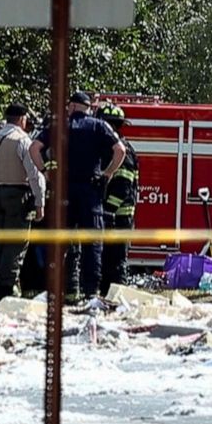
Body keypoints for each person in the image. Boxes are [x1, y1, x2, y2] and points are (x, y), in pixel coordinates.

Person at [30, 91, 126, 302]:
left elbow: (34, 148)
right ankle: (91, 293)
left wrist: (45, 171)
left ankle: (55, 291)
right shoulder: (99, 126)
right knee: (92, 244)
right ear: (88, 107)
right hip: (90, 192)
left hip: (63, 192)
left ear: (71, 106)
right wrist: (107, 174)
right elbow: (120, 150)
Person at [0, 103, 46, 302]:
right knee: (14, 244)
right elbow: (35, 175)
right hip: (17, 196)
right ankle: (6, 287)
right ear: (22, 119)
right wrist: (40, 203)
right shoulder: (23, 140)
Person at [97, 103, 139, 293]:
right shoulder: (110, 148)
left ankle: (117, 300)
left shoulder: (123, 151)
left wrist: (108, 210)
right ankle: (107, 297)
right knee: (106, 261)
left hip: (119, 218)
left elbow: (123, 185)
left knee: (115, 262)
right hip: (112, 216)